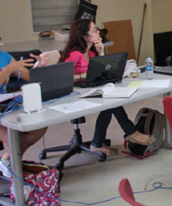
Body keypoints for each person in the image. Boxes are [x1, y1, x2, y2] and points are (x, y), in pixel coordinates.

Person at [60, 19, 152, 155]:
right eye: (94, 30)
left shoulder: (91, 52)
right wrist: (84, 76)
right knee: (110, 104)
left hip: (93, 88)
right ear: (85, 36)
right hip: (77, 93)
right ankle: (131, 132)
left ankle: (98, 143)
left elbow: (102, 70)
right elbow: (62, 77)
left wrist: (101, 53)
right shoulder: (75, 54)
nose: (98, 32)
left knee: (110, 104)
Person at [0, 26, 47, 177]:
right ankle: (9, 164)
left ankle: (5, 161)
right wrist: (8, 70)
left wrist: (39, 66)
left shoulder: (4, 57)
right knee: (16, 137)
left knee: (40, 125)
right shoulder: (7, 65)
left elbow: (29, 77)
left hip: (3, 106)